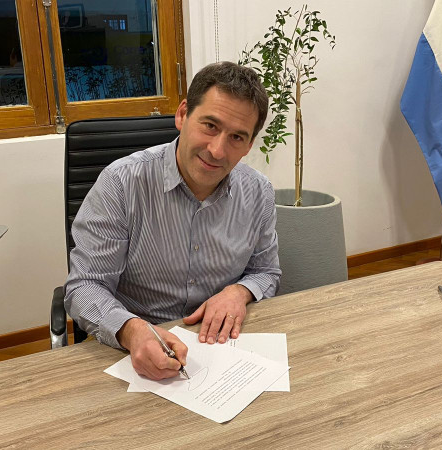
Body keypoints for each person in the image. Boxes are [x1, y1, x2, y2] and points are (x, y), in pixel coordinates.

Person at [65, 61, 281, 381]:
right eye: (210, 125)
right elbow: (84, 286)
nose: (217, 150)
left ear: (249, 145)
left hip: (221, 350)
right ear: (183, 115)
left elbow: (266, 272)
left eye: (237, 137)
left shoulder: (259, 192)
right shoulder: (121, 184)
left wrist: (239, 291)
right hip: (134, 352)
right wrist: (131, 330)